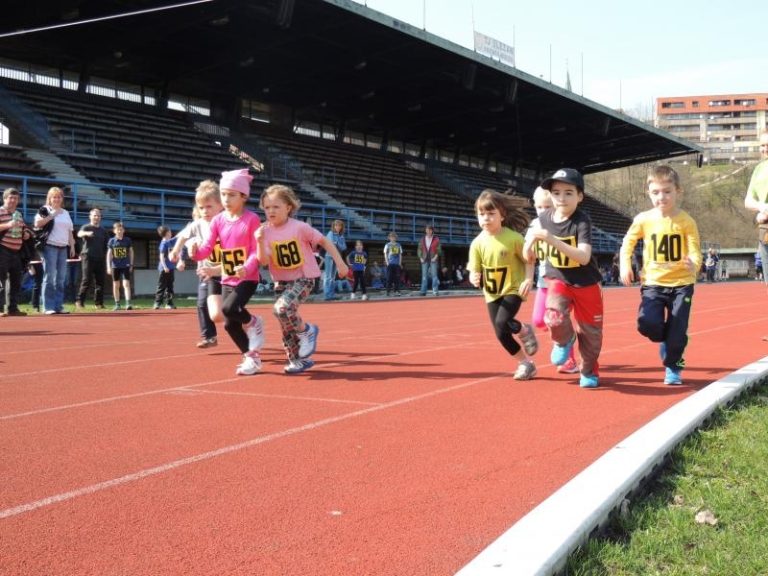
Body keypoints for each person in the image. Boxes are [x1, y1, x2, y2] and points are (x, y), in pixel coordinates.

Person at [619, 165, 701, 386]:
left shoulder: (686, 221)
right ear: (649, 193)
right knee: (646, 323)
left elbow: (694, 249)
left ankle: (673, 366)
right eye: (656, 192)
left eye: (667, 191)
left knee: (678, 329)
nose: (661, 197)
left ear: (678, 191)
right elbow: (628, 242)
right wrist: (625, 264)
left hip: (682, 283)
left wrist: (694, 263)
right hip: (653, 283)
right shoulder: (643, 219)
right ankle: (671, 338)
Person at [523, 168, 604, 389]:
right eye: (556, 192)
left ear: (580, 197)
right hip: (558, 279)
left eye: (568, 193)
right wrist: (529, 248)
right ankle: (564, 340)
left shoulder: (581, 221)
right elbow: (530, 239)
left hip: (586, 283)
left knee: (591, 335)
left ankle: (588, 371)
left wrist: (552, 240)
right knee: (553, 316)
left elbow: (584, 256)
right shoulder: (543, 218)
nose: (561, 198)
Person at [255, 184, 349, 373]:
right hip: (281, 280)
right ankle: (297, 360)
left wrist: (340, 263)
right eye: (267, 207)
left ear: (288, 207)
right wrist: (258, 241)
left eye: (276, 207)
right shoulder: (264, 232)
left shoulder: (299, 227)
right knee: (284, 318)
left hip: (304, 277)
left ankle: (307, 330)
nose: (271, 211)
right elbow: (263, 261)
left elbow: (324, 241)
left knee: (282, 308)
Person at [189, 168, 265, 376]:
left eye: (232, 194)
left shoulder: (251, 219)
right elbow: (206, 248)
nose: (226, 199)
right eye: (223, 194)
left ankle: (255, 323)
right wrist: (195, 253)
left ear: (244, 196)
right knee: (230, 325)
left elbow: (253, 251)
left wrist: (246, 268)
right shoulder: (218, 221)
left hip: (247, 277)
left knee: (230, 308)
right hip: (227, 278)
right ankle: (252, 358)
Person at [468, 189, 539, 380]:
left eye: (491, 214)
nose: (486, 218)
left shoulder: (514, 238)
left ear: (502, 215)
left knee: (502, 321)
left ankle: (524, 330)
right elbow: (474, 270)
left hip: (513, 288)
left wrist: (528, 279)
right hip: (491, 292)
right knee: (501, 334)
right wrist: (473, 277)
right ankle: (525, 363)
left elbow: (529, 260)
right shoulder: (477, 243)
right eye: (481, 214)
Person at [529, 186, 578, 374]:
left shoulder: (562, 225)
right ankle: (566, 338)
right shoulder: (534, 226)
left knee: (558, 320)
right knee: (539, 321)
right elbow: (529, 255)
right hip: (543, 283)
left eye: (547, 206)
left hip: (561, 283)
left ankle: (569, 361)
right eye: (539, 207)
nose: (543, 211)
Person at [170, 180, 224, 348]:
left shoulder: (226, 222)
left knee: (226, 310)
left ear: (220, 205)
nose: (204, 211)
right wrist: (176, 251)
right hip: (206, 271)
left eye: (209, 207)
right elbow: (183, 236)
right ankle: (209, 336)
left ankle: (247, 324)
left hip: (226, 270)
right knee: (201, 304)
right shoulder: (198, 224)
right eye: (201, 208)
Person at [34, 186, 76, 315]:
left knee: (61, 278)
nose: (57, 199)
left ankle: (58, 306)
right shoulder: (45, 209)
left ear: (62, 199)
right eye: (54, 197)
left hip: (63, 248)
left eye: (59, 197)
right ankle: (48, 306)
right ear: (50, 198)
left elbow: (69, 231)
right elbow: (37, 224)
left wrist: (72, 246)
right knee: (50, 276)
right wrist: (51, 216)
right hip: (50, 247)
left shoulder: (66, 213)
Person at [0, 187, 31, 316]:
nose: (13, 200)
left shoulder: (18, 214)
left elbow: (25, 228)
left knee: (16, 281)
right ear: (5, 199)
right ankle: (0, 309)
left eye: (16, 198)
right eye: (10, 198)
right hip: (2, 250)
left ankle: (13, 308)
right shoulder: (0, 212)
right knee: (1, 281)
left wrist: (27, 234)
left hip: (16, 252)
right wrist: (8, 225)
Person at [744, 132, 768, 284]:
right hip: (765, 231)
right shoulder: (759, 169)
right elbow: (748, 201)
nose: (765, 149)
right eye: (763, 145)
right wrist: (762, 207)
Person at [75, 208, 108, 310]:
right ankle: (80, 301)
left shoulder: (103, 230)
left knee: (100, 281)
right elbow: (79, 234)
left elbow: (107, 244)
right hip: (88, 256)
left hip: (100, 257)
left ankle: (99, 303)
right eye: (94, 215)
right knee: (86, 280)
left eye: (98, 216)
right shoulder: (86, 227)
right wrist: (86, 233)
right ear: (90, 216)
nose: (96, 217)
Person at [106, 221, 134, 310]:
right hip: (115, 266)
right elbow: (109, 254)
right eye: (118, 230)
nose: (119, 231)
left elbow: (131, 252)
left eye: (121, 230)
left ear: (124, 230)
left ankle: (128, 303)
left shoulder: (127, 240)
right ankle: (117, 304)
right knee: (116, 285)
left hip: (125, 265)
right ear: (114, 231)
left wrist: (131, 264)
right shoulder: (112, 241)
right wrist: (108, 266)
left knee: (126, 284)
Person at [154, 225, 181, 309]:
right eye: (169, 231)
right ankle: (157, 303)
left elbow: (178, 236)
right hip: (164, 268)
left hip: (171, 268)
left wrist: (187, 228)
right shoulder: (163, 243)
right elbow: (161, 256)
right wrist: (165, 266)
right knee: (161, 286)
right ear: (166, 233)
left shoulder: (170, 241)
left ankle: (169, 303)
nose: (171, 232)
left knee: (170, 286)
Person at [323, 219, 347, 301]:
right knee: (328, 276)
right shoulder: (330, 233)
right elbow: (330, 244)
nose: (338, 227)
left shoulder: (341, 236)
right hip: (329, 256)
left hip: (337, 257)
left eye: (340, 225)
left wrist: (337, 243)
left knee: (333, 277)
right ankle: (327, 295)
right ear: (334, 226)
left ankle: (331, 294)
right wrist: (338, 243)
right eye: (336, 225)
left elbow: (344, 247)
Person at [418, 225, 442, 296]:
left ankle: (435, 291)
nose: (428, 231)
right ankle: (423, 291)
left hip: (433, 259)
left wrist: (435, 257)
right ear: (425, 230)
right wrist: (420, 258)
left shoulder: (436, 239)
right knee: (424, 276)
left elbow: (439, 249)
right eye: (427, 230)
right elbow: (419, 249)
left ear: (432, 231)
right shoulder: (422, 239)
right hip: (424, 259)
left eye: (430, 230)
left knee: (434, 276)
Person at [383, 231, 403, 296]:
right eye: (391, 237)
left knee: (397, 278)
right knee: (389, 278)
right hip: (390, 264)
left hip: (396, 264)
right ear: (389, 238)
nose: (393, 238)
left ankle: (397, 291)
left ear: (396, 238)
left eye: (394, 237)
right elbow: (385, 254)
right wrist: (387, 262)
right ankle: (388, 291)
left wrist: (400, 263)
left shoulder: (398, 245)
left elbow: (400, 254)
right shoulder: (387, 245)